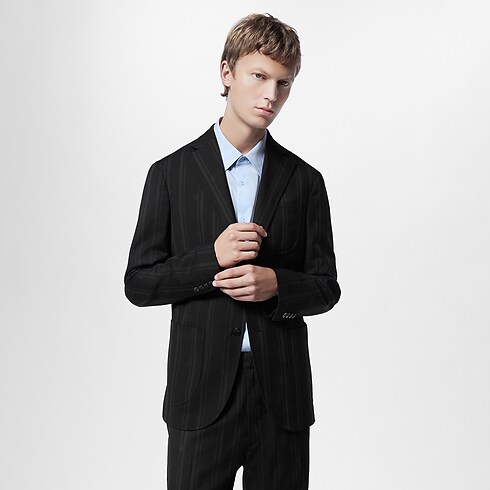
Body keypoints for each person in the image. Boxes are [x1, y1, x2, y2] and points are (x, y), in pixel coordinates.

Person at [124, 13, 341, 490]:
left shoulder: (305, 181)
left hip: (281, 396)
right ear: (226, 73)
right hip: (200, 394)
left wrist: (277, 285)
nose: (271, 95)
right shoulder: (170, 174)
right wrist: (212, 258)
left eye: (284, 83)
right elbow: (139, 283)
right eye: (259, 76)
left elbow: (327, 288)